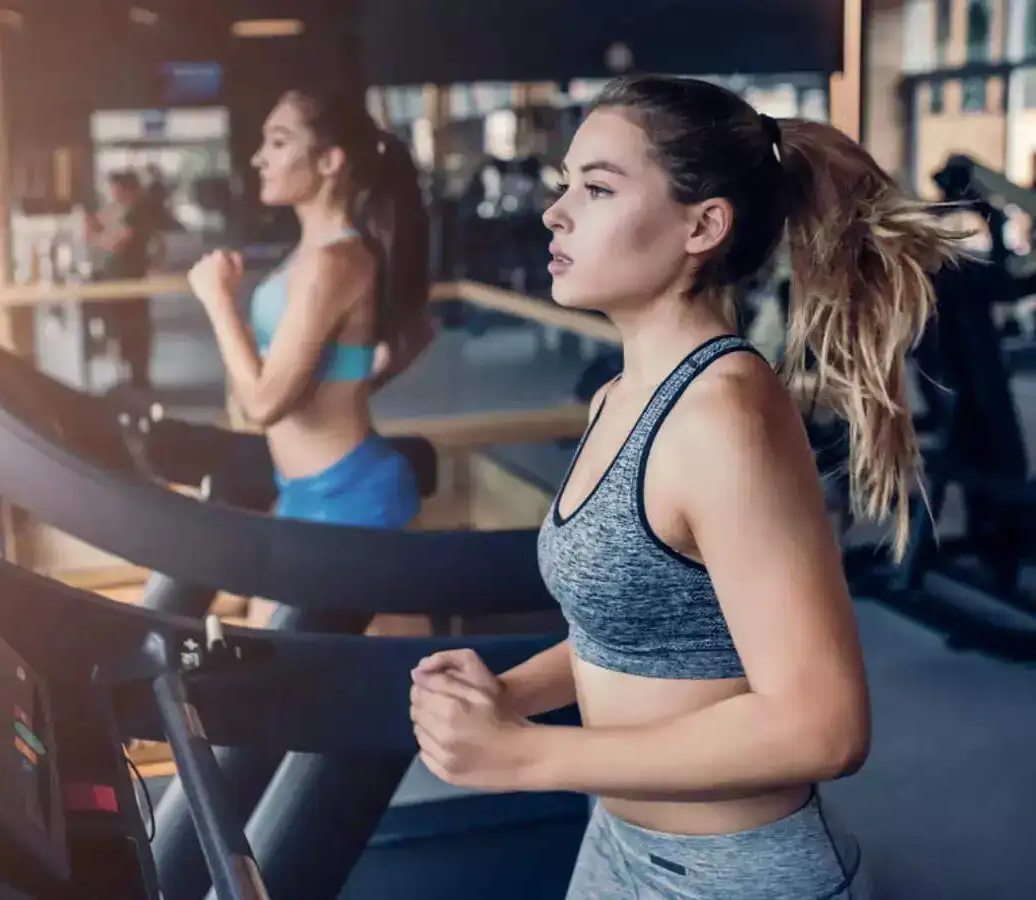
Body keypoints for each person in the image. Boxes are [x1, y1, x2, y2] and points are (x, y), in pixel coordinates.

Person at [408, 74, 967, 899]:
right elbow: (639, 634)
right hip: (619, 843)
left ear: (703, 225)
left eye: (597, 187)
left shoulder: (722, 415)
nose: (555, 212)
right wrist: (512, 692)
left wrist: (531, 755)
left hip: (736, 875)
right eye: (566, 185)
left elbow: (825, 727)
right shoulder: (618, 398)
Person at [186, 88, 434, 530]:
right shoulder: (308, 257)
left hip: (354, 497)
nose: (259, 159)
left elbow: (263, 405)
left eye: (279, 143)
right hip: (299, 490)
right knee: (258, 602)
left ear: (329, 162)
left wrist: (218, 299)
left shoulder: (333, 262)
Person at [85, 169, 157, 392]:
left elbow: (116, 242)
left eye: (115, 188)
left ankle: (138, 379)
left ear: (126, 189)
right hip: (120, 279)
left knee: (133, 329)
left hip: (130, 280)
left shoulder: (135, 213)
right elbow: (101, 221)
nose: (112, 194)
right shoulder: (122, 210)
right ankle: (132, 376)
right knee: (124, 330)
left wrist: (94, 236)